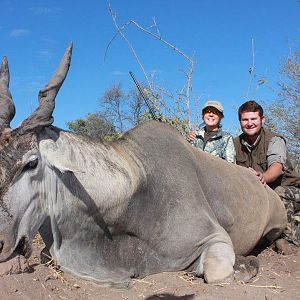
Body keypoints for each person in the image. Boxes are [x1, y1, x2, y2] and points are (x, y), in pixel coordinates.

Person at [234, 100, 300, 251]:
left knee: (278, 193)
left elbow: (276, 167)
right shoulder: (235, 143)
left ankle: (287, 239)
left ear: (262, 120)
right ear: (240, 122)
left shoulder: (274, 140)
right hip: (259, 191)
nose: (249, 123)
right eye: (245, 119)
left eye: (253, 119)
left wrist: (262, 178)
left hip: (287, 189)